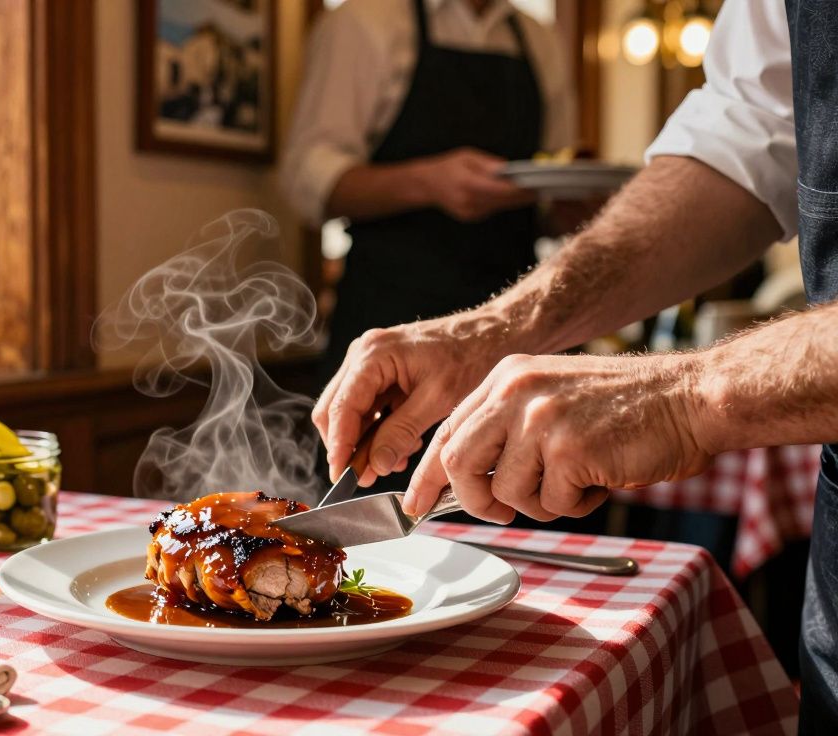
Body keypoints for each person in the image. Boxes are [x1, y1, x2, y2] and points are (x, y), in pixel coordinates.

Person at [312, 1, 834, 729]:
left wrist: (685, 398)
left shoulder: (537, 40)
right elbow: (745, 137)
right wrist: (493, 332)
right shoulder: (366, 23)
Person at [280, 0, 575, 488]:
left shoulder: (540, 40)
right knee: (378, 515)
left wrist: (577, 205)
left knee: (524, 499)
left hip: (519, 321)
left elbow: (554, 185)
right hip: (394, 316)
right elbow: (307, 180)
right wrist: (428, 183)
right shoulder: (366, 20)